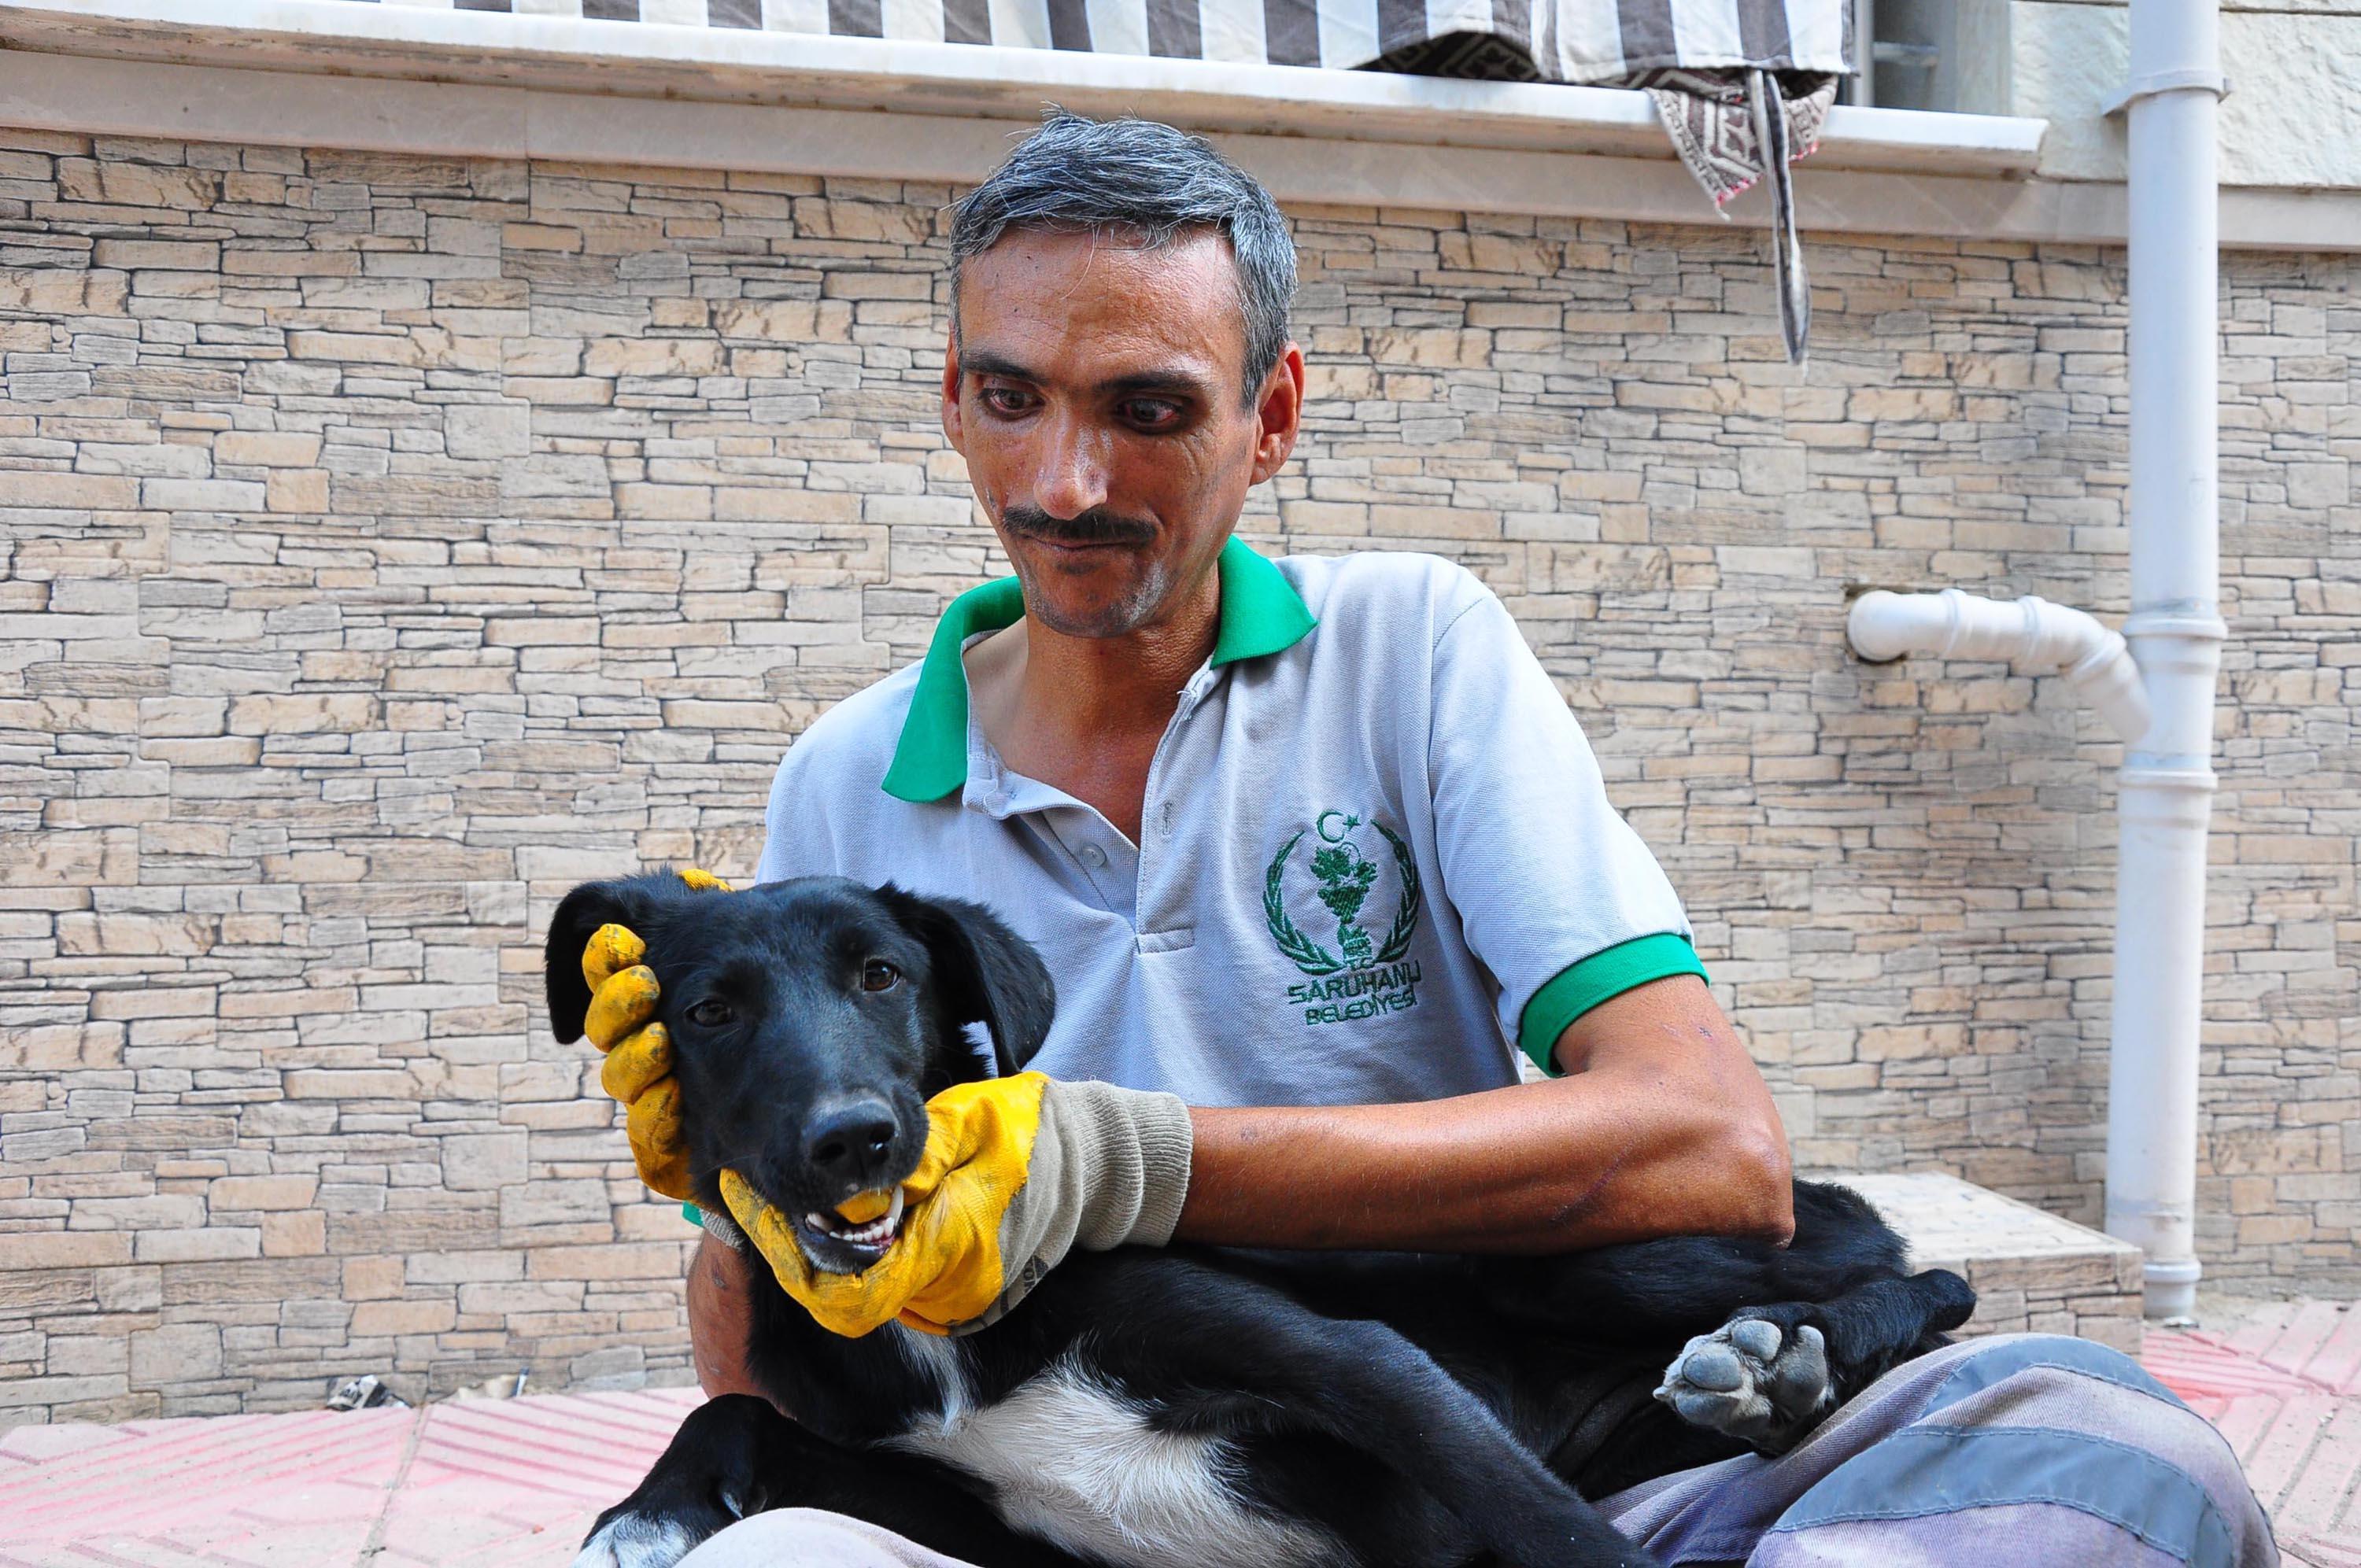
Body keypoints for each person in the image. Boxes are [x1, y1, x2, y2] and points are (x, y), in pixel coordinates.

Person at [578, 114, 2276, 1567]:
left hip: (1543, 1453)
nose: (1068, 479)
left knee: (2114, 1445)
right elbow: (789, 1330)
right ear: (955, 401)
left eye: (1148, 409)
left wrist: (1121, 1159)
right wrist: (741, 1205)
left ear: (1273, 415)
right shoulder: (847, 783)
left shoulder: (1412, 650)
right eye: (1013, 396)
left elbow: (1712, 1152)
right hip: (1085, 1514)